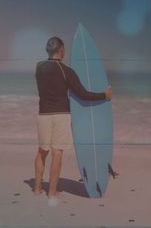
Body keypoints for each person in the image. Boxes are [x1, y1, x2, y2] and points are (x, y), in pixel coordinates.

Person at [34, 36, 113, 199]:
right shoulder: (67, 71)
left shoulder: (38, 67)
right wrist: (104, 95)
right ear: (61, 50)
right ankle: (52, 192)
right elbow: (83, 95)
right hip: (61, 115)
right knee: (57, 153)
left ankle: (36, 189)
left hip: (43, 115)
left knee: (42, 152)